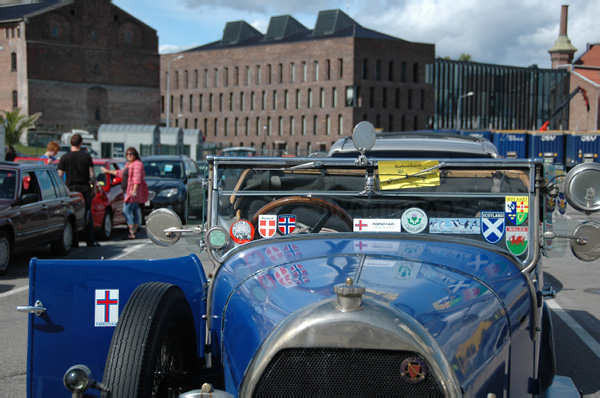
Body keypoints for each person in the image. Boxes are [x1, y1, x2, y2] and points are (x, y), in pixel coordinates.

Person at [57, 134, 100, 247]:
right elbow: (92, 173)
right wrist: (94, 187)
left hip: (70, 189)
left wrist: (62, 189)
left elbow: (60, 175)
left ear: (71, 143)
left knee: (72, 215)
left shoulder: (65, 157)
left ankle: (74, 241)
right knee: (87, 214)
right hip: (84, 188)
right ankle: (90, 240)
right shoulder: (86, 156)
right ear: (81, 143)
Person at [102, 147, 148, 239]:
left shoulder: (137, 164)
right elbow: (121, 173)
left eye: (131, 154)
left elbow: (137, 179)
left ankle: (132, 230)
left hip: (132, 192)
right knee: (134, 210)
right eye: (127, 154)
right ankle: (134, 230)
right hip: (125, 190)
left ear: (135, 155)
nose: (129, 156)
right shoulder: (128, 164)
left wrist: (134, 191)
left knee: (126, 211)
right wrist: (108, 171)